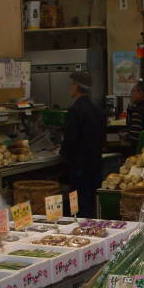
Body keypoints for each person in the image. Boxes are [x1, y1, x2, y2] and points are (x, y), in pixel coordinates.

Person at [60, 72, 106, 218]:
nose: (69, 88)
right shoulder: (97, 110)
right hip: (95, 165)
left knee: (79, 205)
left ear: (77, 86)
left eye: (71, 84)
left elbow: (70, 140)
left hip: (79, 167)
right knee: (92, 204)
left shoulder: (75, 110)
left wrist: (62, 152)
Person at [124, 80, 144, 154]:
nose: (130, 94)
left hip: (139, 151)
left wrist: (125, 136)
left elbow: (134, 137)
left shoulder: (137, 111)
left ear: (141, 94)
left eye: (133, 91)